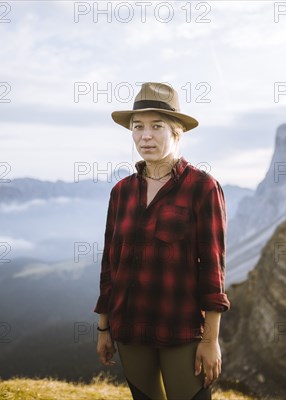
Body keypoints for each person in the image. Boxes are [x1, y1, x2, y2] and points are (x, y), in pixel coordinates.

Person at [94, 82, 230, 400]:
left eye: (157, 126)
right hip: (128, 327)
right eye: (137, 127)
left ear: (177, 132)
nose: (145, 136)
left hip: (180, 327)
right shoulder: (121, 191)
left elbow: (213, 267)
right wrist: (104, 327)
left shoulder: (203, 187)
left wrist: (210, 340)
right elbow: (109, 264)